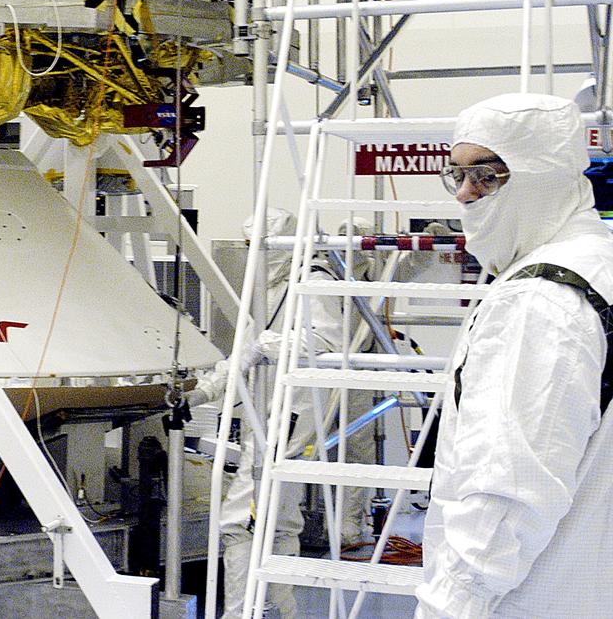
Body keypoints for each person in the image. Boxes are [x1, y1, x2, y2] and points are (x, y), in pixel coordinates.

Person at [415, 93, 613, 618]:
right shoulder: (600, 265)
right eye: (456, 174)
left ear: (543, 175)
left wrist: (449, 607)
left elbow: (504, 498)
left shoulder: (538, 302)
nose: (464, 195)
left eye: (487, 175)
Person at [189, 208, 376, 619]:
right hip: (269, 410)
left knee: (244, 520)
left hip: (293, 414)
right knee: (276, 519)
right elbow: (247, 348)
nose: (255, 254)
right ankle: (278, 611)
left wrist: (269, 346)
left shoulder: (313, 282)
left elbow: (324, 343)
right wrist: (204, 390)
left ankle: (244, 612)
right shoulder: (270, 286)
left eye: (262, 246)